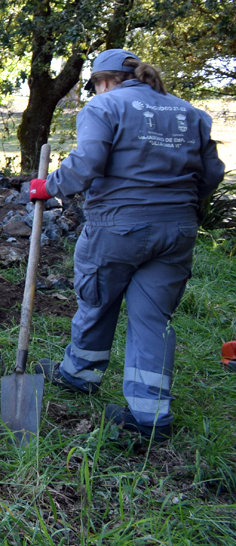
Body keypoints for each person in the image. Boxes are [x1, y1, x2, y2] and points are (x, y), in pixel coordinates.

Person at [29, 50, 224, 442]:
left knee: (98, 297)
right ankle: (150, 416)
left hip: (119, 227)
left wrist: (47, 186)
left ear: (103, 81)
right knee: (153, 317)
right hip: (178, 230)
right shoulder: (191, 113)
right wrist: (182, 207)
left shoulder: (104, 106)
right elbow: (212, 174)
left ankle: (80, 375)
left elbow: (87, 163)